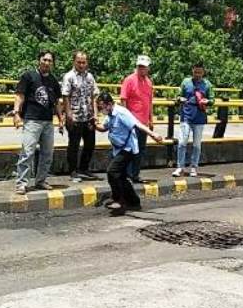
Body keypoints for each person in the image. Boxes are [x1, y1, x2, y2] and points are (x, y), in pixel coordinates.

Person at [95, 91, 163, 214]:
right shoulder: (110, 115)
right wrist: (94, 125)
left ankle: (118, 200)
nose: (101, 110)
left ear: (109, 104)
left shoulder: (121, 113)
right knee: (121, 176)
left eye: (102, 107)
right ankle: (134, 202)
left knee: (112, 171)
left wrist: (153, 134)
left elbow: (137, 124)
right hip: (119, 149)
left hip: (128, 149)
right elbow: (104, 128)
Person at [12, 50, 64, 195]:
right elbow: (20, 95)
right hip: (32, 120)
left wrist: (60, 119)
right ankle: (22, 183)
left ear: (52, 63)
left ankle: (41, 180)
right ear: (39, 60)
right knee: (27, 152)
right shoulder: (29, 76)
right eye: (44, 60)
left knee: (47, 153)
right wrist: (16, 113)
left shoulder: (53, 81)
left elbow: (57, 102)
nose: (46, 63)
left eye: (49, 61)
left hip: (47, 121)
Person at [61, 51, 100, 182]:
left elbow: (94, 95)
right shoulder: (69, 76)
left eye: (84, 62)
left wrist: (95, 114)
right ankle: (73, 171)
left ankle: (84, 168)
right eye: (79, 62)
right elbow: (65, 96)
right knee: (74, 145)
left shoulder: (90, 77)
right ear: (74, 62)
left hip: (88, 116)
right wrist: (69, 114)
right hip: (75, 116)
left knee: (90, 144)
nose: (82, 65)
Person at [172, 63, 215, 177]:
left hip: (199, 117)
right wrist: (179, 99)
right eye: (195, 72)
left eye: (200, 72)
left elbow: (212, 99)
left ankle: (194, 167)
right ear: (192, 71)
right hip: (186, 116)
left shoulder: (207, 84)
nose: (197, 75)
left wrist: (207, 101)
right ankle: (180, 167)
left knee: (196, 144)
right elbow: (178, 96)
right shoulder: (186, 82)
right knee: (182, 142)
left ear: (203, 72)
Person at [120, 55, 155, 183]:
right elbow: (123, 99)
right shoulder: (129, 80)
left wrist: (151, 119)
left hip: (144, 122)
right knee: (130, 149)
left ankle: (135, 174)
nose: (141, 69)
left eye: (144, 67)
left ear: (148, 68)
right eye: (139, 66)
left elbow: (149, 101)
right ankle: (128, 174)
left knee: (140, 149)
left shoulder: (149, 82)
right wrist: (125, 119)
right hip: (132, 121)